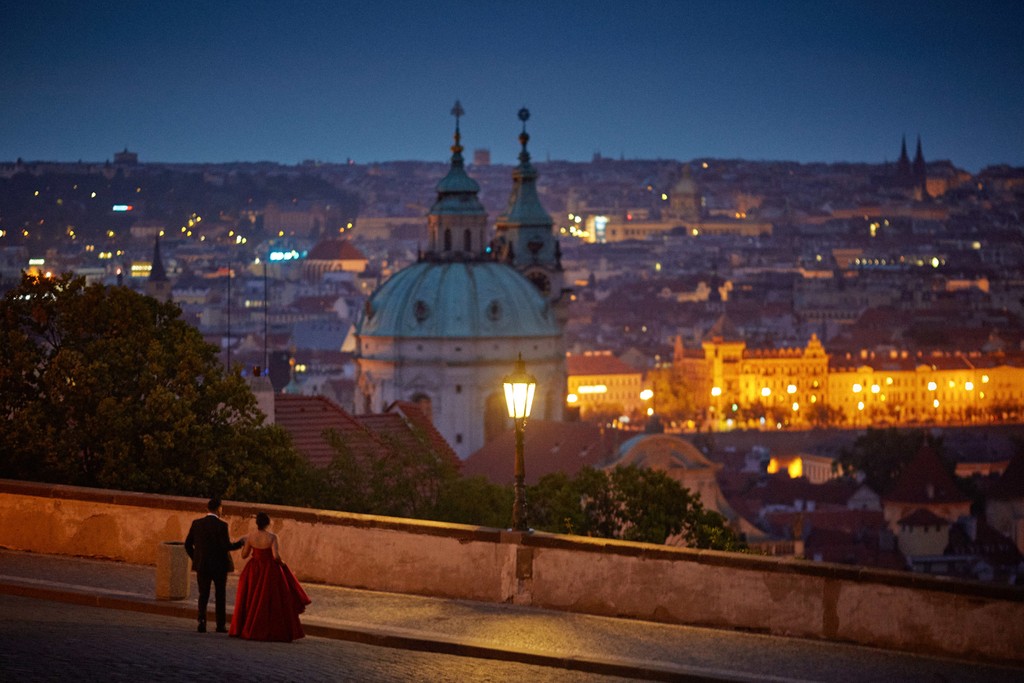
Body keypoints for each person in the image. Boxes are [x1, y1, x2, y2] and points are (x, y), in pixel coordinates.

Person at [229, 511, 311, 642]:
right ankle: (270, 630)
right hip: (269, 570)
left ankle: (248, 627)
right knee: (270, 600)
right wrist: (283, 564)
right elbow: (276, 556)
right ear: (268, 523)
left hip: (254, 569)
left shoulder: (250, 537)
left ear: (257, 524)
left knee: (252, 598)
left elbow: (244, 555)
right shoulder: (273, 537)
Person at [184, 497, 243, 633]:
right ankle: (220, 625)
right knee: (220, 595)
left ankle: (202, 621)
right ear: (219, 508)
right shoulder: (222, 526)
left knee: (203, 594)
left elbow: (187, 544)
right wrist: (240, 543)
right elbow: (226, 546)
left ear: (207, 508)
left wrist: (196, 558)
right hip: (219, 566)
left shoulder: (196, 524)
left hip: (202, 565)